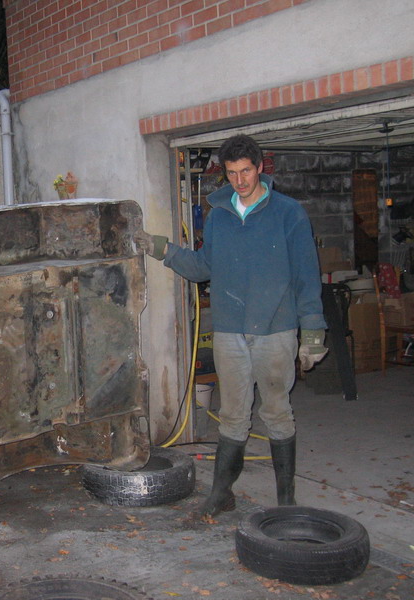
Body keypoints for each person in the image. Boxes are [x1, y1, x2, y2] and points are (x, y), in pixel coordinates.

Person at [137, 134, 327, 516]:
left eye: (246, 171)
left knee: (277, 413)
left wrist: (312, 332)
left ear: (260, 168)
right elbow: (204, 266)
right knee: (232, 415)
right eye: (232, 173)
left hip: (275, 329)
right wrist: (162, 249)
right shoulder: (218, 215)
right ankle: (222, 494)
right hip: (229, 330)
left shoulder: (288, 213)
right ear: (224, 173)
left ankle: (286, 502)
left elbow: (307, 275)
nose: (240, 180)